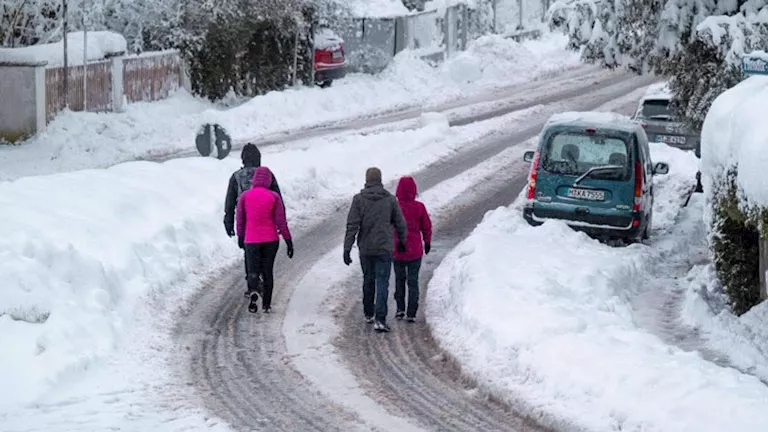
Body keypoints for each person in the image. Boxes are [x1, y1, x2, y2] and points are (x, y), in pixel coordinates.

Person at [343, 167, 407, 333]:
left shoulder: (358, 200)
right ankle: (380, 318)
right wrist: (402, 240)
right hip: (384, 247)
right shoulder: (390, 200)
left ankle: (368, 312)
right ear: (380, 180)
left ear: (366, 180)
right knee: (382, 282)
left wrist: (347, 247)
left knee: (368, 279)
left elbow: (352, 225)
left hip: (365, 248)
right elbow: (400, 223)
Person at [224, 143, 283, 297]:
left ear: (243, 159)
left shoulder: (236, 177)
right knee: (266, 255)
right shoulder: (267, 175)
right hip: (268, 223)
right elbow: (278, 200)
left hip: (247, 224)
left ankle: (253, 282)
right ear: (259, 159)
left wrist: (228, 221)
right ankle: (263, 279)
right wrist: (280, 222)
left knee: (249, 254)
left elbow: (230, 202)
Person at [236, 166, 294, 313]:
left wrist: (240, 236)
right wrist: (288, 240)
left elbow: (240, 220)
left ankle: (253, 290)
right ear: (268, 180)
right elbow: (281, 221)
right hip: (271, 240)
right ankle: (266, 304)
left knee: (253, 270)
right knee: (267, 271)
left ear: (254, 180)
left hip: (251, 240)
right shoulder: (274, 196)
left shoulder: (245, 196)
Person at [392, 176, 432, 323]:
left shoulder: (394, 207)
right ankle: (411, 312)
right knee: (413, 281)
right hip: (415, 250)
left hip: (397, 249)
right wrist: (427, 242)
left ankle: (400, 309)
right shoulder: (419, 207)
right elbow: (426, 226)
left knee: (399, 280)